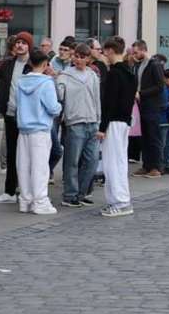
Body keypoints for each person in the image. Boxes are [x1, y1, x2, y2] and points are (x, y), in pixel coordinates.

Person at [11, 48, 60, 215]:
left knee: (23, 166)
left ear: (30, 62)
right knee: (40, 167)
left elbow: (17, 103)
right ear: (46, 64)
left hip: (23, 128)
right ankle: (40, 201)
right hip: (40, 129)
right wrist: (59, 107)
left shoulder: (20, 81)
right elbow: (53, 107)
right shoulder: (47, 83)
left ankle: (25, 200)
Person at [54, 45, 102, 207]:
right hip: (75, 122)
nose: (79, 59)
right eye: (76, 56)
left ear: (89, 59)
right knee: (72, 161)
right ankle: (70, 195)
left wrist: (98, 120)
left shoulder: (93, 76)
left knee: (91, 161)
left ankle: (81, 193)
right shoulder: (66, 75)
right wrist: (56, 80)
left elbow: (97, 99)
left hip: (92, 122)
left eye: (83, 57)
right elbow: (59, 96)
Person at [97, 37, 136, 218]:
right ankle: (120, 200)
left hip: (113, 122)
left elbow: (109, 103)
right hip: (124, 122)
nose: (104, 54)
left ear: (111, 50)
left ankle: (119, 202)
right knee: (119, 162)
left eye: (105, 51)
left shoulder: (114, 74)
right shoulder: (130, 72)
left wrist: (102, 127)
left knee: (111, 164)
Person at [0, 33, 30, 200]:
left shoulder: (33, 64)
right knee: (11, 153)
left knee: (27, 154)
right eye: (18, 43)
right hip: (10, 114)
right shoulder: (8, 64)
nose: (20, 45)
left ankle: (25, 189)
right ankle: (9, 191)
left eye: (23, 43)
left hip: (28, 117)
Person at [135, 44, 168, 179]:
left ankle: (156, 167)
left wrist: (141, 93)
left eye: (136, 52)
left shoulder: (154, 64)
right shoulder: (139, 65)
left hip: (152, 106)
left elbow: (160, 86)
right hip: (142, 105)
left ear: (143, 50)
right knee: (145, 137)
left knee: (154, 136)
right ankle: (147, 165)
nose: (134, 55)